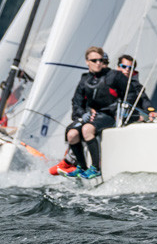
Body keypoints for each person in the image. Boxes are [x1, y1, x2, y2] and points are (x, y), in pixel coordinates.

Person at [50, 47, 126, 178]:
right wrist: (81, 114)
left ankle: (96, 168)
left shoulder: (115, 76)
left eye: (101, 60)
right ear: (87, 62)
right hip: (90, 117)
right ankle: (81, 167)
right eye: (94, 60)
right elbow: (76, 102)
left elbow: (131, 93)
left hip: (108, 115)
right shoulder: (84, 80)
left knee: (86, 130)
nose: (98, 63)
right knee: (72, 134)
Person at [114, 54, 155, 125]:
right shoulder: (109, 82)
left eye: (130, 68)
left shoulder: (136, 86)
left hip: (132, 117)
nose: (127, 70)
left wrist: (150, 111)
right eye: (124, 67)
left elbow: (144, 100)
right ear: (118, 67)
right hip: (114, 117)